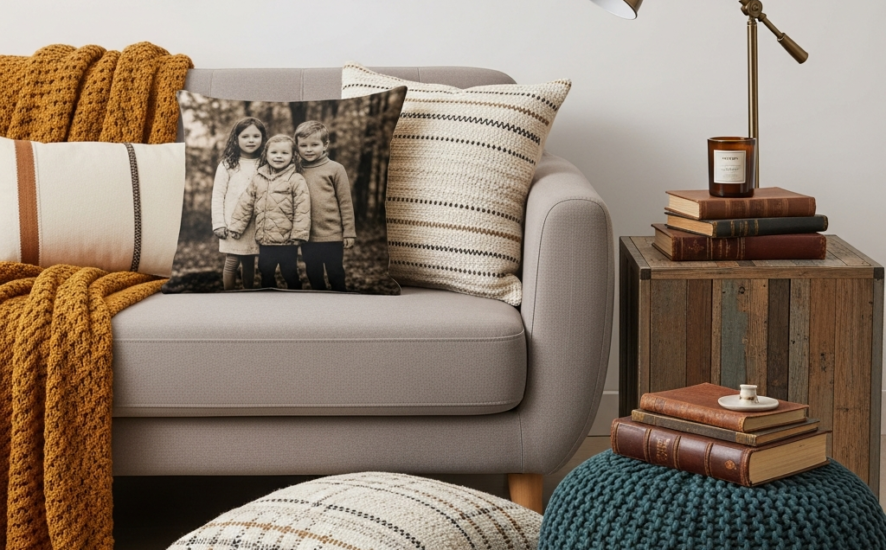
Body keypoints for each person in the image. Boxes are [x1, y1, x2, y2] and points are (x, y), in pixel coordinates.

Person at [229, 134, 310, 290]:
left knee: (289, 272)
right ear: (266, 155)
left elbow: (303, 208)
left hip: (287, 241)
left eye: (284, 153)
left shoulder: (296, 179)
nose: (279, 156)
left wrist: (299, 234)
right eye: (274, 152)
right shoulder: (258, 178)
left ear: (293, 156)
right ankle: (269, 298)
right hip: (265, 239)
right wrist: (237, 227)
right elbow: (245, 203)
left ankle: (296, 297)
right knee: (265, 271)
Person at [294, 120, 355, 292]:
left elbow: (345, 202)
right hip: (307, 235)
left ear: (325, 145)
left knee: (335, 273)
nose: (308, 149)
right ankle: (320, 302)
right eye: (303, 145)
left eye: (314, 145)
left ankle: (340, 299)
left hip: (332, 234)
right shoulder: (295, 170)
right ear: (297, 147)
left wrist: (349, 232)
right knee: (313, 274)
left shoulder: (335, 169)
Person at [211, 117, 267, 290]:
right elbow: (218, 195)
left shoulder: (265, 163)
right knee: (232, 260)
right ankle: (229, 295)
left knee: (249, 260)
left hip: (256, 222)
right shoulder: (227, 165)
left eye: (256, 136)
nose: (251, 140)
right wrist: (219, 223)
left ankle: (247, 293)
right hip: (232, 223)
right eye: (245, 136)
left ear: (263, 138)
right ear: (236, 139)